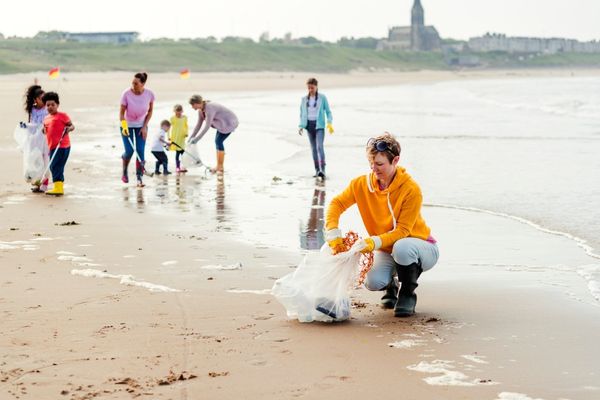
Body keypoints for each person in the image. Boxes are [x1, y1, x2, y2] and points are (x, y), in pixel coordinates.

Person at [325, 133, 439, 317]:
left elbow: (403, 231)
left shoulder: (411, 189)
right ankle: (390, 286)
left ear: (395, 160)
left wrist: (372, 242)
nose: (374, 169)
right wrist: (332, 231)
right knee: (372, 282)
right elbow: (336, 204)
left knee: (402, 246)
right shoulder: (361, 185)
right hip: (386, 249)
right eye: (371, 164)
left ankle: (408, 294)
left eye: (379, 164)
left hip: (421, 247)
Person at [188, 95, 239, 174]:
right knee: (217, 142)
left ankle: (220, 167)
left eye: (192, 105)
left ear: (197, 103)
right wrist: (191, 137)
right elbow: (198, 125)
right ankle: (219, 166)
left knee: (218, 142)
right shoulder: (201, 111)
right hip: (221, 123)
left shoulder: (209, 108)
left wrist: (197, 139)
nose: (192, 107)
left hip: (229, 122)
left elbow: (207, 126)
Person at [119, 72, 154, 187]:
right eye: (132, 82)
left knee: (140, 151)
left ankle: (139, 178)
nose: (133, 85)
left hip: (141, 126)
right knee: (129, 151)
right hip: (126, 126)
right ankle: (124, 171)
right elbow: (121, 113)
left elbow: (150, 112)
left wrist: (144, 127)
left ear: (143, 84)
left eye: (136, 83)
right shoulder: (126, 94)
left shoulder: (149, 94)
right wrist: (124, 126)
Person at [298, 77, 333, 179]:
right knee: (313, 149)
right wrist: (301, 126)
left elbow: (328, 112)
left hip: (319, 126)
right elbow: (302, 114)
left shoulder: (322, 98)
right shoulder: (304, 99)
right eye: (308, 88)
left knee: (319, 147)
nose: (310, 90)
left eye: (312, 88)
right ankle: (317, 171)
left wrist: (329, 123)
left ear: (316, 87)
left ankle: (323, 170)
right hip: (309, 126)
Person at [41, 92, 75, 196]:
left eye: (52, 104)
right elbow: (45, 129)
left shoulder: (62, 116)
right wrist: (44, 130)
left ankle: (58, 188)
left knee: (56, 166)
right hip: (52, 146)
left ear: (57, 105)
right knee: (54, 166)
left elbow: (72, 126)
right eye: (48, 105)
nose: (50, 107)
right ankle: (58, 186)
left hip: (62, 146)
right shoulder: (46, 118)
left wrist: (68, 129)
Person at [24, 85, 49, 192]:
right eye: (41, 98)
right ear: (35, 99)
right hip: (34, 139)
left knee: (45, 160)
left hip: (45, 138)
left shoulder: (47, 109)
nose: (44, 100)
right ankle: (36, 183)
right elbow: (30, 123)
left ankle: (45, 184)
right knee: (35, 160)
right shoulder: (32, 110)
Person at [169, 104, 189, 173]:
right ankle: (177, 167)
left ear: (182, 111)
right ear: (174, 111)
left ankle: (183, 166)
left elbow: (186, 126)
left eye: (180, 112)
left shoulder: (185, 118)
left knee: (183, 153)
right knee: (177, 152)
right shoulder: (172, 118)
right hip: (175, 137)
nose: (178, 114)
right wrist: (169, 137)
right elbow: (169, 128)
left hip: (182, 137)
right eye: (177, 112)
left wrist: (186, 133)